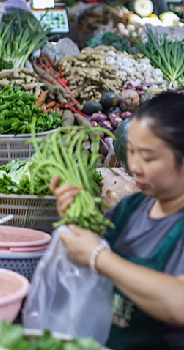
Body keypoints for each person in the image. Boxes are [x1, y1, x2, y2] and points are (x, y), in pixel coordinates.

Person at [51, 93, 184, 350]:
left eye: (148, 157)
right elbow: (92, 255)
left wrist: (98, 257)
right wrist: (75, 221)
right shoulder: (131, 208)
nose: (135, 166)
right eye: (131, 153)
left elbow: (178, 303)